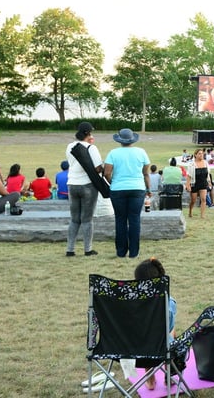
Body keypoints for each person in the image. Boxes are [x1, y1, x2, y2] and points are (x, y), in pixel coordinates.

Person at [104, 128, 151, 259]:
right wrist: (148, 189)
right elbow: (146, 173)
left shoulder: (113, 153)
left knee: (120, 220)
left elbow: (107, 172)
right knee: (134, 220)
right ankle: (134, 252)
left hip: (118, 188)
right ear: (132, 140)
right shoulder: (141, 152)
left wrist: (112, 181)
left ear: (119, 140)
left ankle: (121, 251)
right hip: (137, 188)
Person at [132, 257, 177, 391]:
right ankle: (169, 374)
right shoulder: (168, 302)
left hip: (131, 350)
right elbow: (167, 330)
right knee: (170, 330)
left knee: (145, 334)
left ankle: (150, 378)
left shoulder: (128, 303)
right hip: (161, 350)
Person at [66, 122, 103, 257]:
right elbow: (97, 167)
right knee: (87, 219)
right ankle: (88, 249)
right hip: (87, 184)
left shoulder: (70, 146)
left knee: (74, 219)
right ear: (88, 133)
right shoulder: (91, 148)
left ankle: (70, 249)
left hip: (72, 184)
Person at [186, 148, 210, 219]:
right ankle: (190, 211)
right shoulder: (192, 164)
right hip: (194, 184)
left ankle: (202, 215)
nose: (201, 155)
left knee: (203, 199)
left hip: (203, 183)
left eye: (202, 153)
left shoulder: (205, 163)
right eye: (199, 154)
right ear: (195, 155)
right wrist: (188, 185)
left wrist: (209, 182)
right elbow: (189, 176)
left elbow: (208, 174)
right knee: (193, 200)